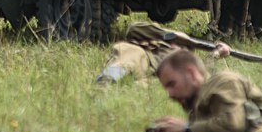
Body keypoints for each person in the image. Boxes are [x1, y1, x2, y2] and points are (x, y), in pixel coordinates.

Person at [96, 22, 227, 83]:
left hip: (152, 74)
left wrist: (216, 53)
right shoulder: (156, 41)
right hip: (142, 55)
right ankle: (105, 82)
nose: (180, 48)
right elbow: (133, 29)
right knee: (131, 58)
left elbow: (200, 74)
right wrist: (167, 34)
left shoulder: (184, 61)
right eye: (179, 43)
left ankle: (123, 90)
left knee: (144, 86)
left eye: (185, 47)